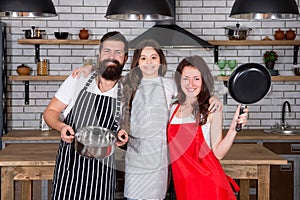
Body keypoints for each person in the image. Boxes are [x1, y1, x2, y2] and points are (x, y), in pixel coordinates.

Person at [72, 39, 223, 200]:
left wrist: (214, 97)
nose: (149, 62)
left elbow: (193, 92)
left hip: (159, 158)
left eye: (153, 57)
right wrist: (89, 67)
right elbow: (106, 75)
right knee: (133, 196)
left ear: (161, 61)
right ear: (137, 62)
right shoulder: (127, 83)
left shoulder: (170, 84)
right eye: (143, 58)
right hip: (135, 157)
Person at [43, 31, 129, 200]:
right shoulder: (78, 79)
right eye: (107, 51)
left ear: (125, 58)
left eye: (118, 52)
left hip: (103, 175)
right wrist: (61, 126)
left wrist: (123, 134)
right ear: (99, 55)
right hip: (70, 171)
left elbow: (125, 126)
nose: (112, 56)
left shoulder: (127, 90)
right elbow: (50, 112)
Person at [167, 55, 248, 200]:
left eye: (196, 78)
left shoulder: (211, 109)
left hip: (210, 185)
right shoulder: (172, 109)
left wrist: (234, 128)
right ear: (179, 80)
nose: (190, 84)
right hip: (183, 187)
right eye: (186, 78)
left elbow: (218, 153)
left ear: (203, 80)